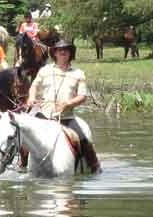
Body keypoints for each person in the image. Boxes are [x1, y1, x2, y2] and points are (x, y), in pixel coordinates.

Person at [26, 40, 101, 173]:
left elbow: (82, 96)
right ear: (54, 53)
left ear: (70, 53)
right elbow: (34, 86)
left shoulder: (78, 73)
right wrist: (31, 97)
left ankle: (94, 166)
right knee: (25, 138)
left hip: (66, 117)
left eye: (66, 49)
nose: (62, 52)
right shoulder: (45, 70)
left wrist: (68, 103)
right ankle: (22, 165)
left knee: (83, 139)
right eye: (59, 50)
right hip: (44, 117)